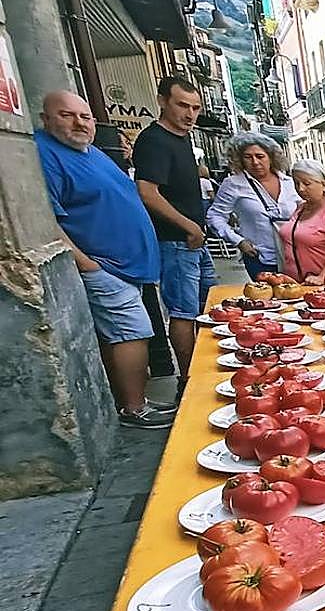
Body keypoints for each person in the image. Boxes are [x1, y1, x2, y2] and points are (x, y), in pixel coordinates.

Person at [34, 91, 175, 428]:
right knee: (132, 334)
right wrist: (87, 264)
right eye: (67, 115)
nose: (79, 123)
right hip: (105, 267)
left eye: (85, 116)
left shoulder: (88, 152)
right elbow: (46, 218)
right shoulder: (44, 153)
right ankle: (134, 408)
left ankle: (134, 398)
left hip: (125, 268)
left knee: (128, 334)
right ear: (46, 120)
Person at [133, 76, 214, 401]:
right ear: (163, 101)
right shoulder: (154, 140)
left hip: (193, 239)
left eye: (195, 107)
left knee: (208, 305)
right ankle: (189, 380)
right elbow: (147, 192)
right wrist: (189, 226)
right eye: (182, 105)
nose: (190, 113)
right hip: (176, 241)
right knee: (183, 312)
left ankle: (204, 370)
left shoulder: (182, 139)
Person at [206, 132, 301, 280]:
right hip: (260, 257)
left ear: (271, 157)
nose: (255, 162)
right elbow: (215, 216)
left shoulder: (290, 182)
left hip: (296, 255)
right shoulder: (234, 184)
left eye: (260, 156)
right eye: (248, 157)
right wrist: (238, 241)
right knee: (266, 300)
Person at [277, 159, 325, 284]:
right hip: (294, 282)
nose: (300, 189)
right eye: (296, 183)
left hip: (324, 283)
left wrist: (322, 276)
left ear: (323, 184)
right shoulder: (301, 208)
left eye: (307, 183)